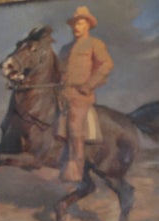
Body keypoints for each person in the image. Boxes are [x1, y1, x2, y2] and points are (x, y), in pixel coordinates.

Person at [58, 5, 113, 183]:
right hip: (62, 93)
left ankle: (76, 169)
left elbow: (106, 64)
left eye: (80, 23)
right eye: (74, 24)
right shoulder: (65, 49)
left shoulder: (94, 44)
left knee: (74, 126)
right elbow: (60, 71)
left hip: (81, 95)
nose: (76, 27)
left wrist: (89, 85)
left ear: (88, 25)